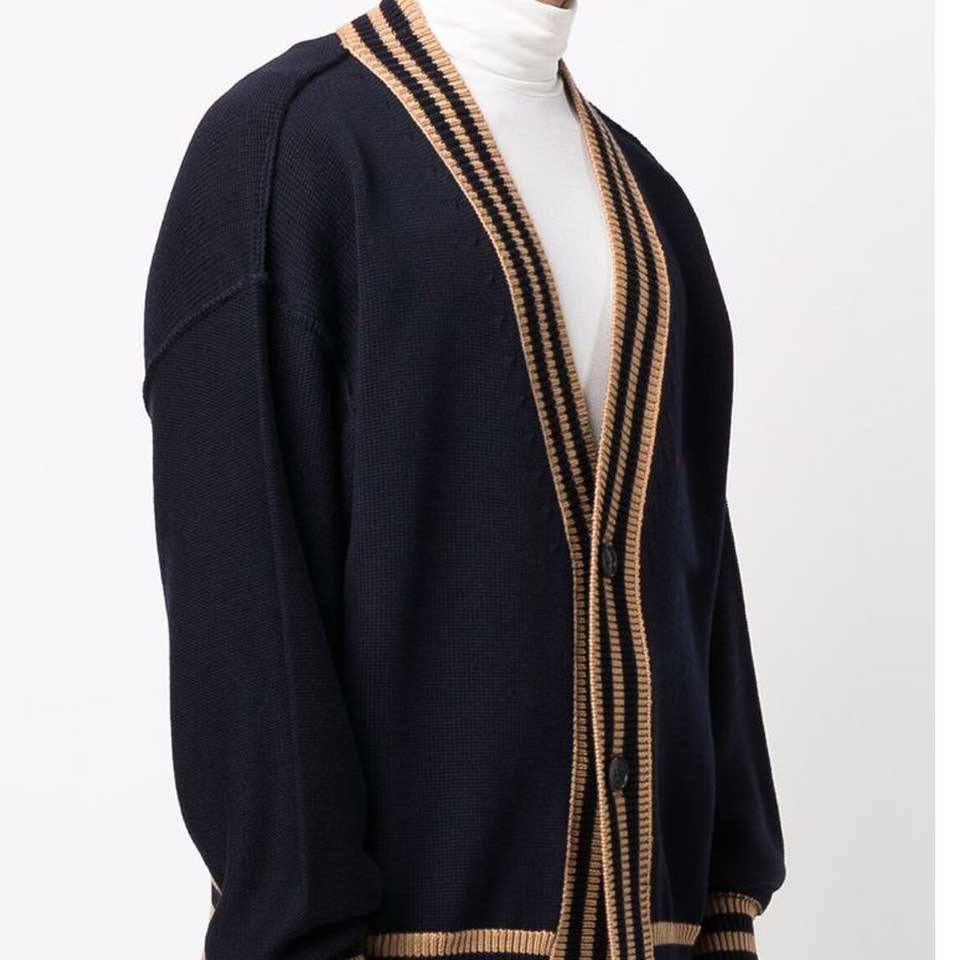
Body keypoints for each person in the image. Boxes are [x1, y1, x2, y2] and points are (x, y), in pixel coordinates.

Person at [143, 1, 785, 959]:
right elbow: (246, 613)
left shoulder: (654, 208)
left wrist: (728, 907)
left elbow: (699, 591)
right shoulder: (287, 154)